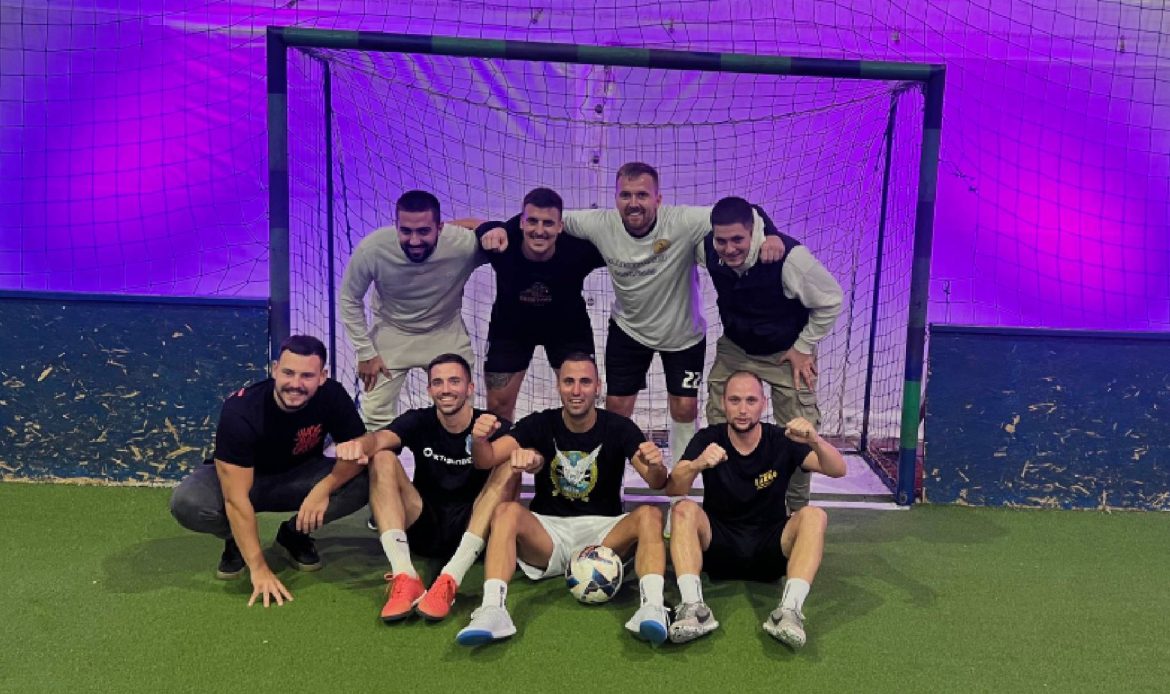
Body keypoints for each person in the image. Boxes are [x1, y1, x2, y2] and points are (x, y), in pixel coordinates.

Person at [481, 163, 784, 461]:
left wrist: (771, 234)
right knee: (616, 408)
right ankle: (613, 483)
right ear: (616, 198)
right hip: (629, 331)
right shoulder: (598, 224)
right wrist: (498, 229)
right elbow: (540, 219)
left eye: (642, 195)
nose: (633, 202)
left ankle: (681, 482)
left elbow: (746, 212)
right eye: (625, 195)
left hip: (682, 334)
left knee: (684, 409)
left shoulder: (685, 221)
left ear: (658, 199)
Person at [454, 353, 671, 646]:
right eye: (569, 382)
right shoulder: (539, 423)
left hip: (604, 536)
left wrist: (656, 465)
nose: (576, 390)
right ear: (558, 385)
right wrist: (479, 441)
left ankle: (652, 608)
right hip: (548, 533)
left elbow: (657, 482)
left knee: (650, 514)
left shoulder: (619, 427)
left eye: (585, 382)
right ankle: (493, 610)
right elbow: (486, 460)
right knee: (505, 511)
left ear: (598, 386)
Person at [169, 335, 368, 607]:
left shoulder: (332, 395)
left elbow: (359, 451)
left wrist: (324, 488)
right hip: (244, 480)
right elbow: (235, 499)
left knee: (366, 479)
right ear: (275, 370)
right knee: (187, 502)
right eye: (288, 373)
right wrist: (259, 569)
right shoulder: (241, 411)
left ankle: (293, 535)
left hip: (301, 477)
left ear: (322, 377)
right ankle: (236, 540)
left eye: (307, 376)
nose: (295, 384)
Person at [662, 371, 846, 648]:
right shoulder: (708, 438)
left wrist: (815, 440)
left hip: (770, 548)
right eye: (735, 400)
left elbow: (838, 469)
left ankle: (789, 612)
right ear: (723, 403)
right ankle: (694, 609)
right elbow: (674, 488)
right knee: (683, 509)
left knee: (814, 515)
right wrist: (698, 463)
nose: (743, 409)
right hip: (718, 547)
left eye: (751, 400)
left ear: (764, 403)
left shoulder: (782, 439)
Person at [333, 353, 518, 623]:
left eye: (454, 381)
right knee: (382, 456)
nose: (446, 389)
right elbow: (380, 438)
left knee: (510, 464)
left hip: (474, 527)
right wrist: (359, 445)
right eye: (438, 382)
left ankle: (451, 577)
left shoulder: (490, 424)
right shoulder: (419, 420)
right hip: (424, 524)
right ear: (430, 389)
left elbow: (524, 454)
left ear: (469, 388)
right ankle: (405, 575)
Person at [698, 196, 843, 513]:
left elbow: (831, 300)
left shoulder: (791, 259)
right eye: (722, 241)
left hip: (785, 353)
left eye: (738, 239)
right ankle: (725, 503)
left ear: (753, 233)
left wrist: (803, 346)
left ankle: (796, 511)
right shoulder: (707, 246)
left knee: (799, 432)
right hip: (736, 348)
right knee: (719, 424)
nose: (729, 248)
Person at [339, 190, 485, 431]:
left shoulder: (462, 245)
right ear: (396, 225)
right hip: (391, 333)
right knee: (374, 416)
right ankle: (382, 456)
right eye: (406, 231)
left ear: (440, 227)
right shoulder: (373, 249)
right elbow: (349, 299)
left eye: (424, 231)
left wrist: (487, 227)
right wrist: (365, 352)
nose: (414, 240)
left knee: (460, 410)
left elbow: (504, 238)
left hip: (445, 332)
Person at [476, 186, 605, 422]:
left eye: (548, 223)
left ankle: (577, 446)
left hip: (568, 330)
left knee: (581, 401)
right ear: (521, 222)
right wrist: (487, 228)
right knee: (497, 407)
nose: (539, 231)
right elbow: (467, 227)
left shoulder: (579, 250)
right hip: (511, 330)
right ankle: (502, 446)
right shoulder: (501, 244)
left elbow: (622, 246)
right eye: (532, 221)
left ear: (560, 226)